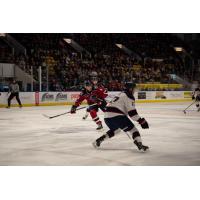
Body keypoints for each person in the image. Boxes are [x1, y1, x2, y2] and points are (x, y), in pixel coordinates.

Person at [92, 82, 149, 152]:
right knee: (133, 130)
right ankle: (139, 144)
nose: (135, 90)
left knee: (116, 130)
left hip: (107, 117)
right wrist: (141, 121)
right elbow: (132, 113)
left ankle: (100, 140)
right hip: (117, 116)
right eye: (134, 89)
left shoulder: (120, 94)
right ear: (130, 89)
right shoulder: (129, 96)